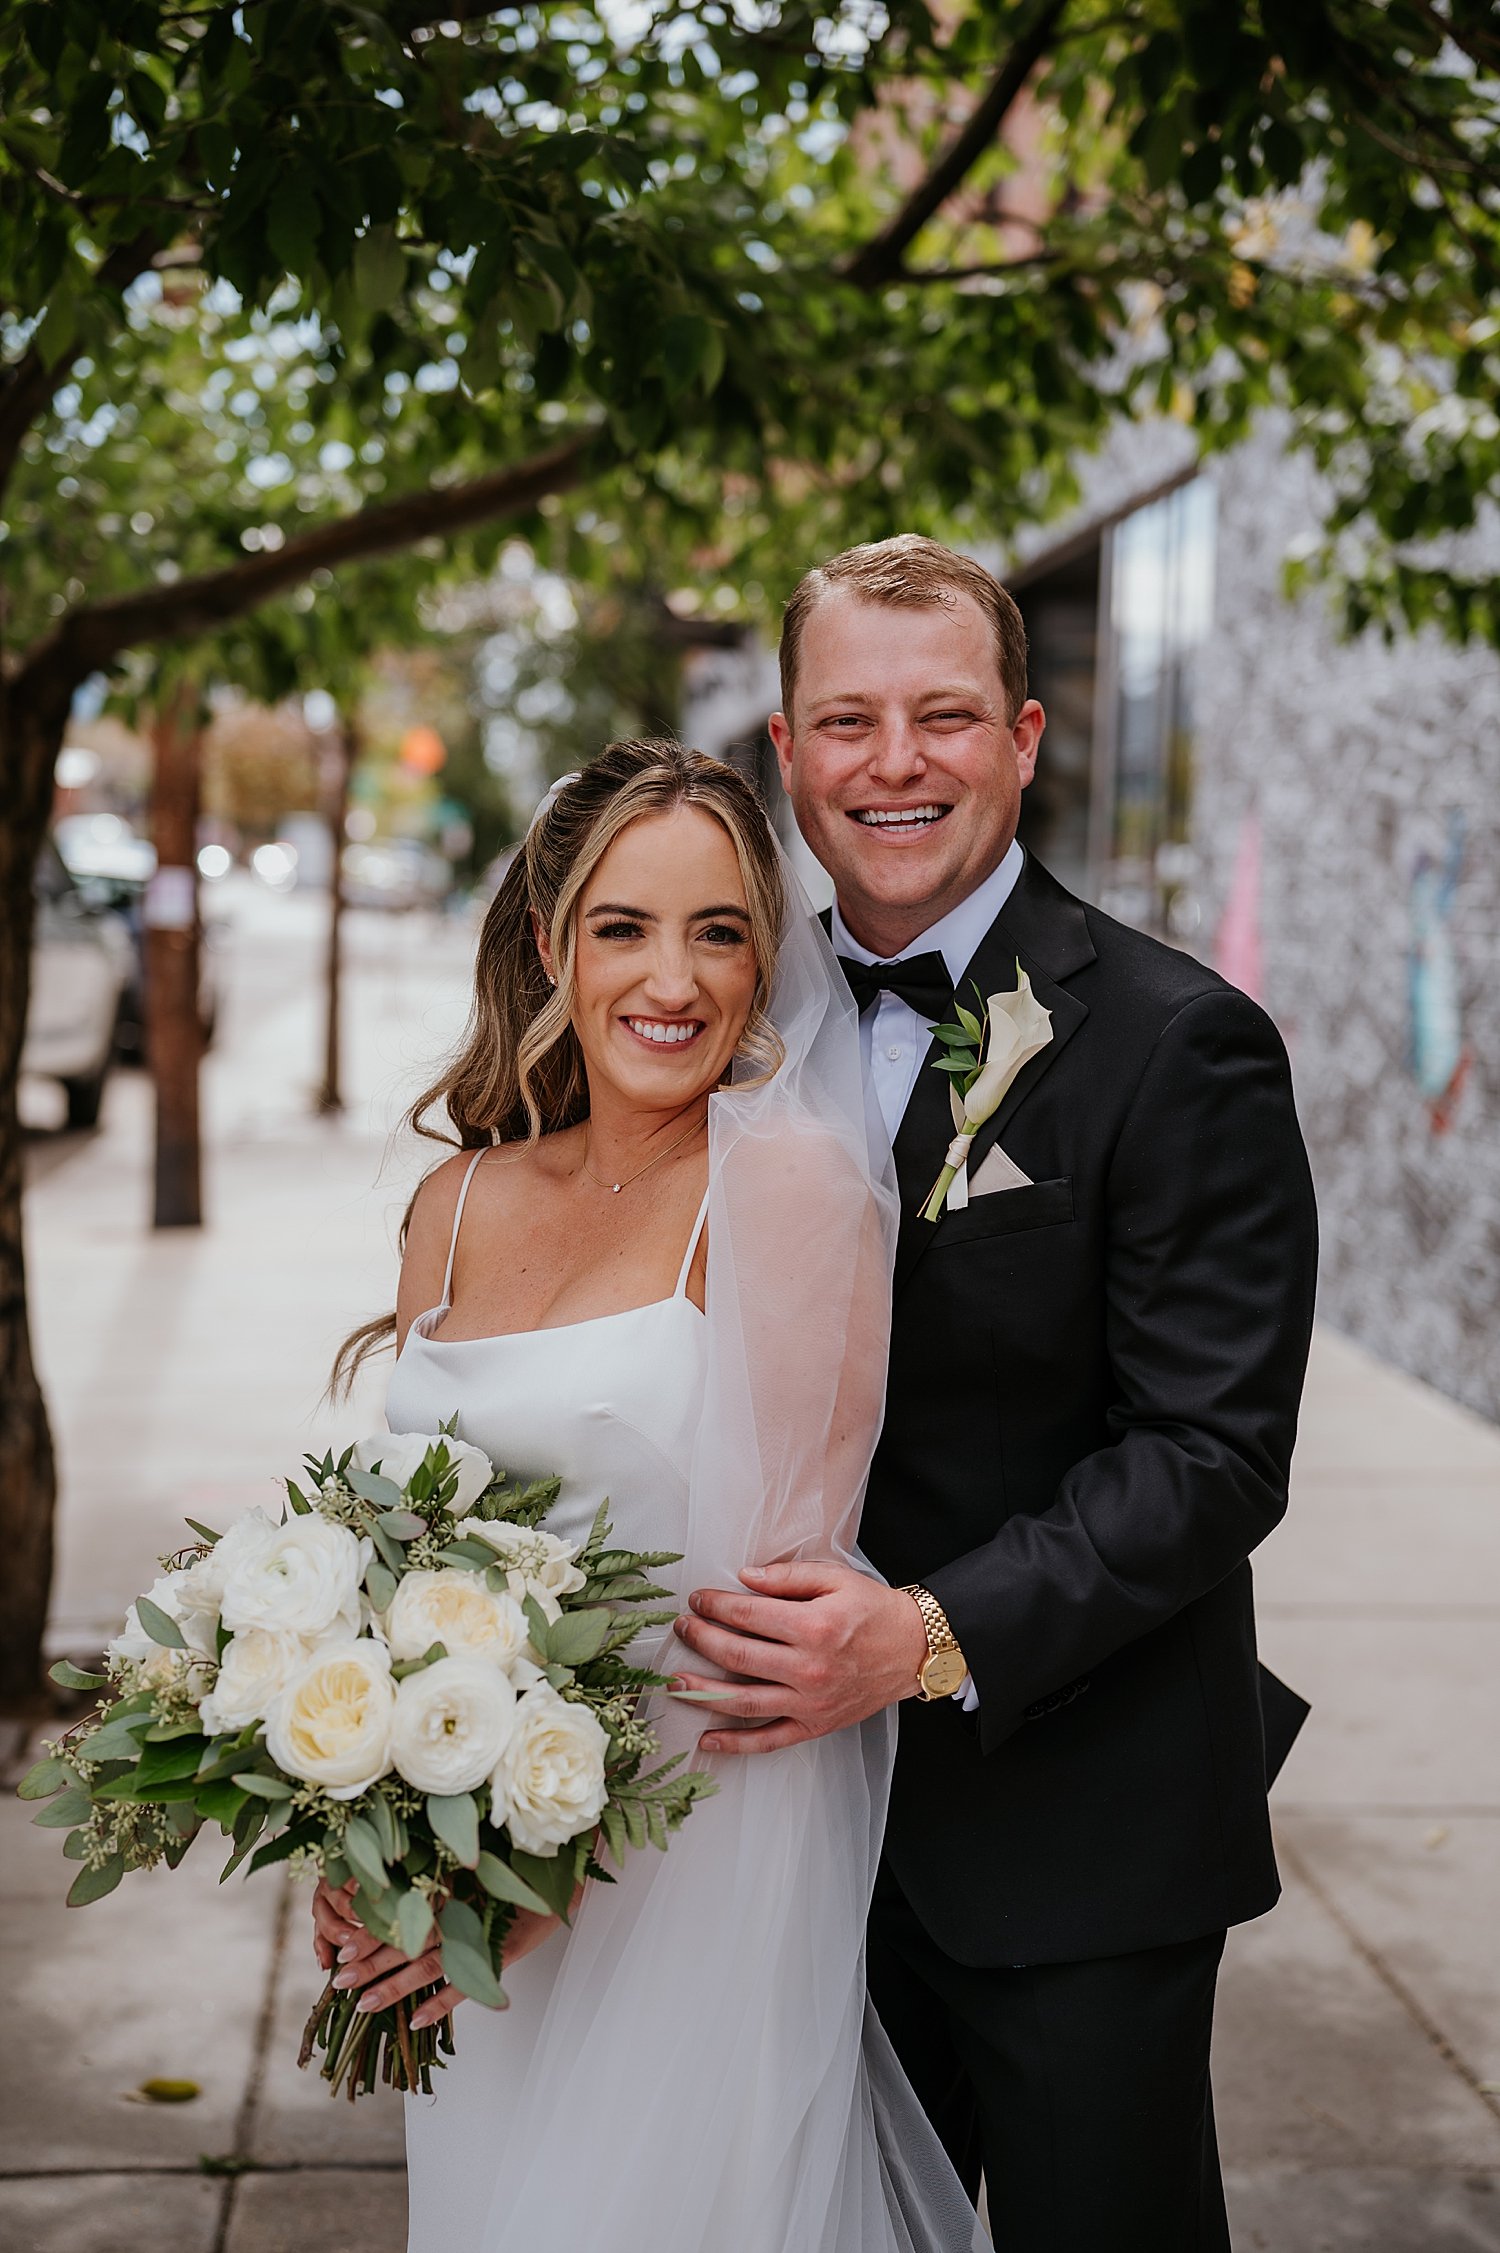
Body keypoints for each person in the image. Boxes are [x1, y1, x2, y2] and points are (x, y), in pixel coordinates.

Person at [671, 537, 1320, 2252]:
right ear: (789, 751)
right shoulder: (717, 1030)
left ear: (1024, 737)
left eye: (944, 715)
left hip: (1072, 1831)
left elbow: (1212, 1452)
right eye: (849, 720)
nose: (897, 763)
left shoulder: (1181, 1042)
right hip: (779, 1845)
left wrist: (925, 1633)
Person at [313, 741, 985, 2253]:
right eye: (623, 925)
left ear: (765, 961)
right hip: (465, 1851)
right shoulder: (458, 1200)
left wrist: (550, 1875)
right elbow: (382, 1564)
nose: (670, 978)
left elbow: (770, 1619)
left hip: (682, 1855)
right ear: (554, 942)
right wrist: (361, 1842)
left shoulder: (787, 1189)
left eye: (719, 930)